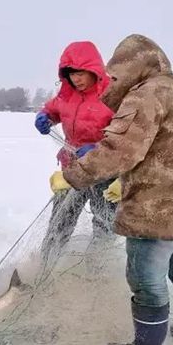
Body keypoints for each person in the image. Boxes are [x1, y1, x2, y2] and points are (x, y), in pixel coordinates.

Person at [51, 34, 173, 345]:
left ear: (131, 68)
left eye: (116, 75)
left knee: (147, 279)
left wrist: (73, 175)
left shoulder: (146, 95)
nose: (113, 82)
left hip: (156, 209)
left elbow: (119, 151)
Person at [34, 41, 118, 267]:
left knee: (104, 226)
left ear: (94, 70)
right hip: (72, 169)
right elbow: (53, 109)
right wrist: (46, 117)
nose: (76, 79)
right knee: (60, 220)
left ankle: (97, 274)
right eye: (71, 74)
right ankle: (46, 268)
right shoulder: (67, 94)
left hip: (104, 173)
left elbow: (126, 138)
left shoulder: (113, 95)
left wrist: (97, 150)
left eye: (81, 73)